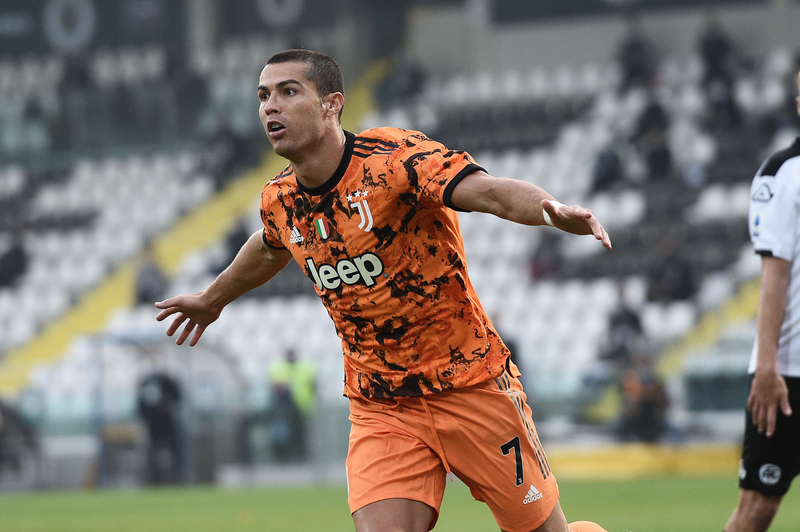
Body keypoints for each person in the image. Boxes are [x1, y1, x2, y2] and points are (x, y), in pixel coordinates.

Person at [156, 50, 612, 532]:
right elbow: (270, 247)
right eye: (263, 96)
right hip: (382, 404)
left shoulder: (393, 163)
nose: (271, 107)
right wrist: (212, 299)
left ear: (332, 104)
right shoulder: (280, 199)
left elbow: (491, 192)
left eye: (289, 92)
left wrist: (549, 209)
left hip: (471, 386)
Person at [724, 69, 800, 532]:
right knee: (759, 505)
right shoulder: (783, 174)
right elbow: (775, 275)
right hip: (788, 371)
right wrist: (767, 368)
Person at [267, 347, 317, 462]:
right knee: (286, 433)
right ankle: (285, 457)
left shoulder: (304, 368)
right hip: (287, 407)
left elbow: (313, 385)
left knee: (300, 434)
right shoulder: (280, 368)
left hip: (302, 407)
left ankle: (300, 456)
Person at [137, 372, 184, 485]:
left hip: (168, 429)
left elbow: (177, 399)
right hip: (152, 430)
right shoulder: (146, 382)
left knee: (172, 459)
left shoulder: (167, 381)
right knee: (152, 459)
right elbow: (141, 407)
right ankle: (153, 483)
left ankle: (174, 483)